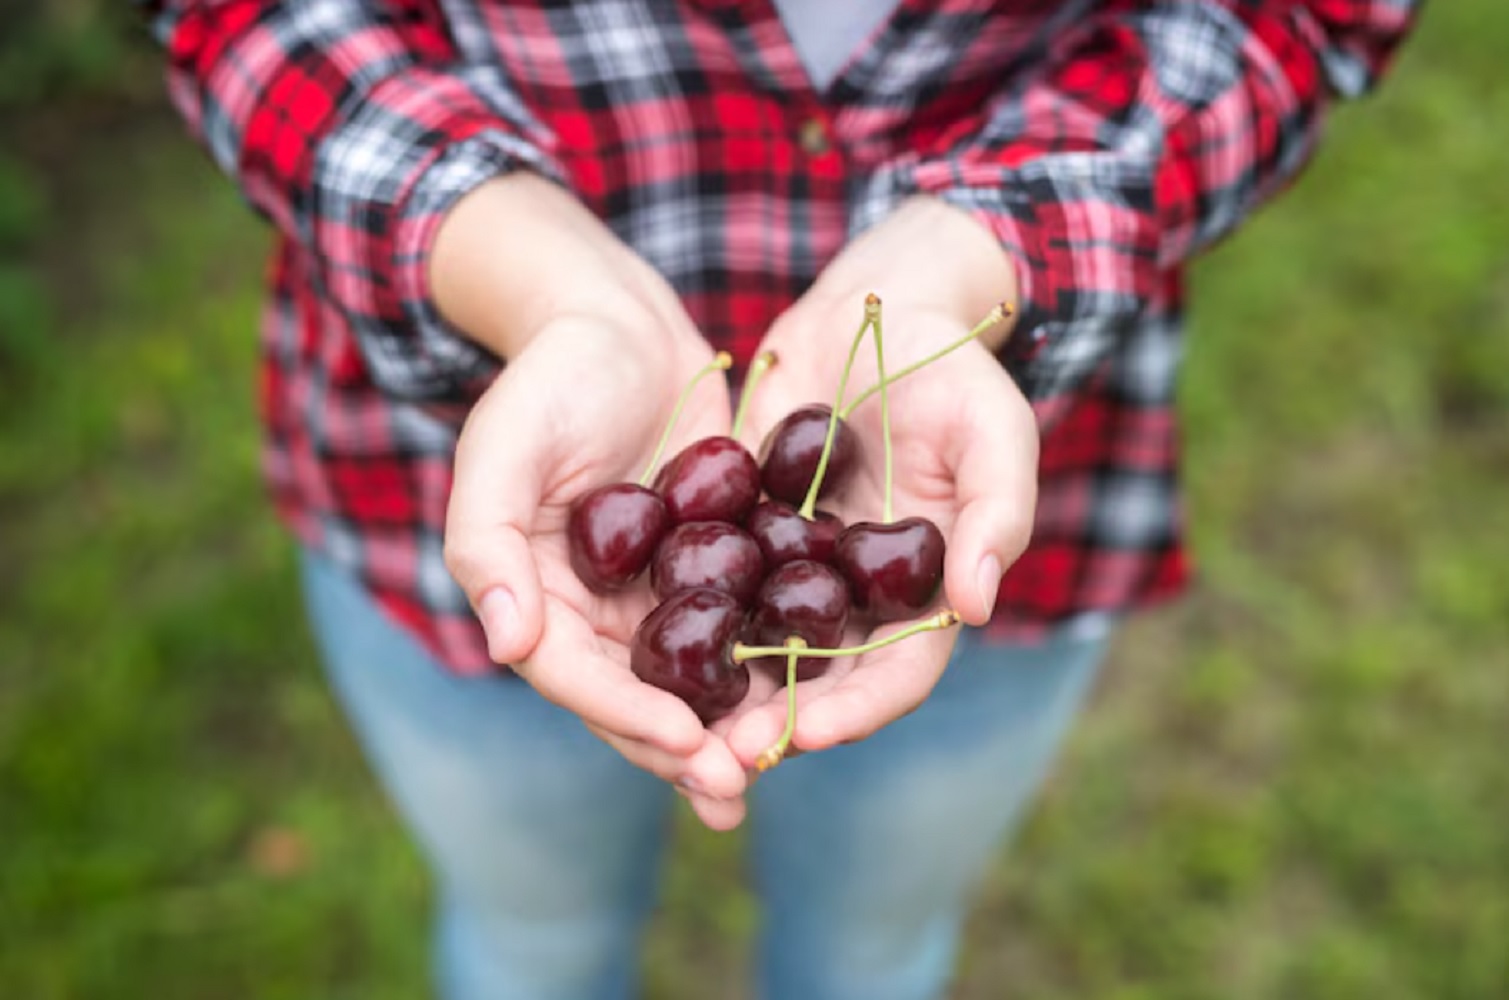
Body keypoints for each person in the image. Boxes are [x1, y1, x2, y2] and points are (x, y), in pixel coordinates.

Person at [145, 1, 1419, 997]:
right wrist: (521, 268)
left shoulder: (838, 530)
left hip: (997, 478)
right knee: (533, 945)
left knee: (868, 961)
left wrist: (979, 253)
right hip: (458, 498)